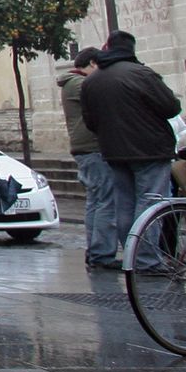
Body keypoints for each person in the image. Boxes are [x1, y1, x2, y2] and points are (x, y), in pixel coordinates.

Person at [80, 30, 180, 271]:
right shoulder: (141, 74)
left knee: (124, 204)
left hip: (113, 150)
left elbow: (90, 121)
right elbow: (171, 107)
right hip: (150, 148)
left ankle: (132, 255)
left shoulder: (91, 81)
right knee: (151, 203)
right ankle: (146, 259)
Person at [58, 48, 115, 270]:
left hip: (85, 149)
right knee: (105, 201)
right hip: (92, 148)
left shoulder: (73, 82)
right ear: (92, 63)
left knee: (96, 201)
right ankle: (101, 253)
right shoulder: (80, 83)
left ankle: (96, 251)